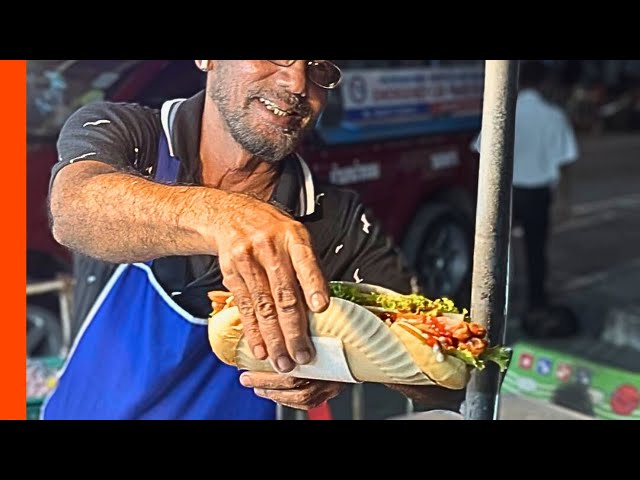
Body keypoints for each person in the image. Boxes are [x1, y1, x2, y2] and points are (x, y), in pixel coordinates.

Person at [42, 60, 463, 420]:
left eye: (318, 67)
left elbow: (448, 379)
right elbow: (74, 210)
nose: (296, 83)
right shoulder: (134, 136)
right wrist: (226, 217)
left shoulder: (335, 222)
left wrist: (339, 364)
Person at [474, 60, 579, 337]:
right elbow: (565, 161)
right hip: (537, 195)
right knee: (535, 252)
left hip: (506, 192)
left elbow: (481, 151)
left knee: (497, 251)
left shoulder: (503, 111)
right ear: (544, 83)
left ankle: (492, 305)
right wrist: (564, 200)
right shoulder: (553, 115)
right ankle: (535, 304)